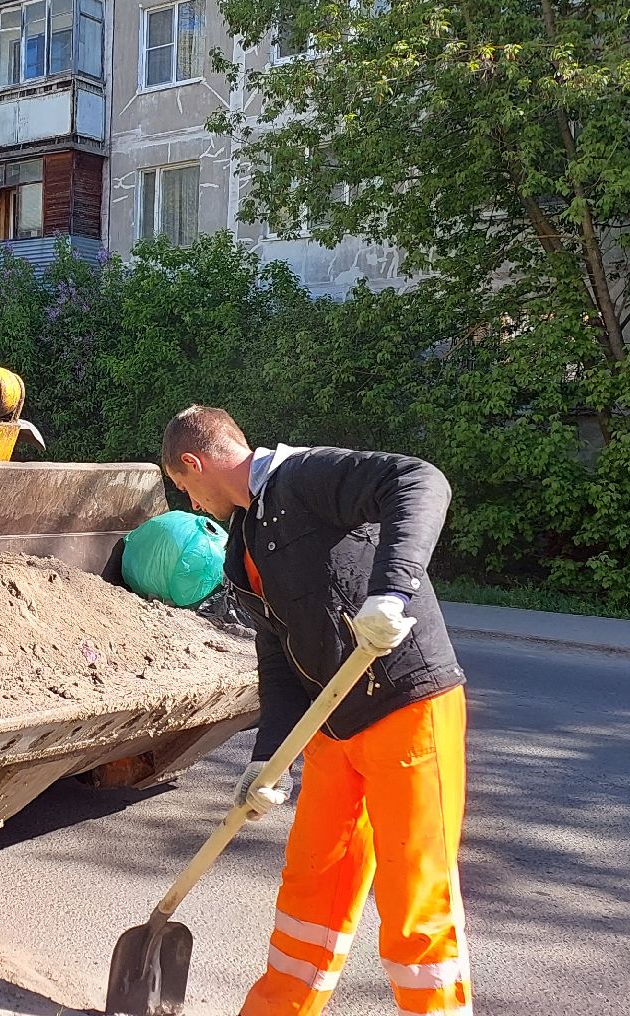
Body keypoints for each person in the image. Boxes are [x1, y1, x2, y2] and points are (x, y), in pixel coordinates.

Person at [160, 405, 471, 1016]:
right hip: (331, 725)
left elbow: (420, 480)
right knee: (312, 886)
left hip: (407, 706)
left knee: (415, 900)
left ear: (193, 465)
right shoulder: (242, 546)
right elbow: (277, 658)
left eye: (186, 488)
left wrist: (392, 592)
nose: (193, 505)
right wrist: (265, 762)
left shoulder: (302, 477)